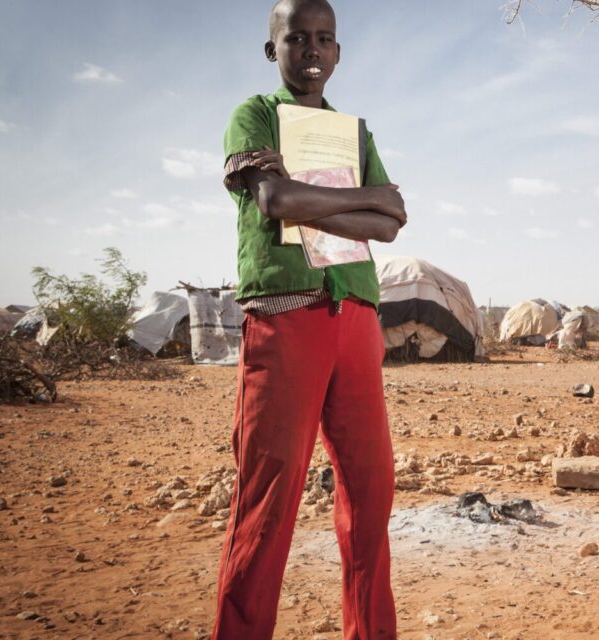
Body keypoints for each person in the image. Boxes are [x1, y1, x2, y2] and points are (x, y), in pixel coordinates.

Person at [211, 1, 405, 637]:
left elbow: (391, 221)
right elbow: (274, 198)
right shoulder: (256, 115)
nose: (312, 50)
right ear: (275, 50)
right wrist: (361, 199)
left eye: (325, 39)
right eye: (297, 38)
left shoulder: (354, 134)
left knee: (371, 496)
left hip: (355, 319)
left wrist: (322, 201)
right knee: (267, 504)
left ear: (339, 52)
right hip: (286, 318)